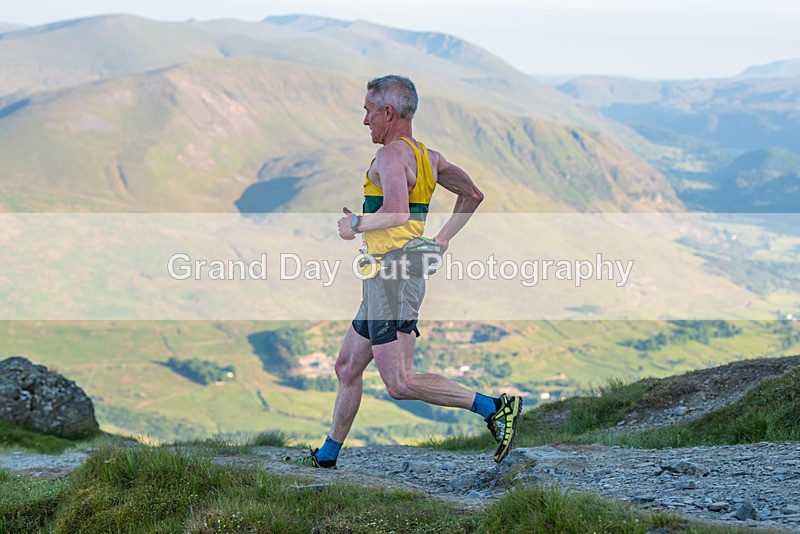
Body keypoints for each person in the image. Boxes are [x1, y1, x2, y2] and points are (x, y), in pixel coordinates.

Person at [293, 74, 522, 468]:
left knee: (399, 383)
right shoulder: (427, 157)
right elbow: (473, 195)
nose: (365, 120)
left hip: (394, 278)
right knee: (347, 366)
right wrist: (443, 238)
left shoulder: (391, 156)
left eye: (368, 111)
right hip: (386, 278)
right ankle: (327, 456)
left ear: (388, 111)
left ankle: (495, 408)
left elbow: (397, 211)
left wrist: (356, 226)